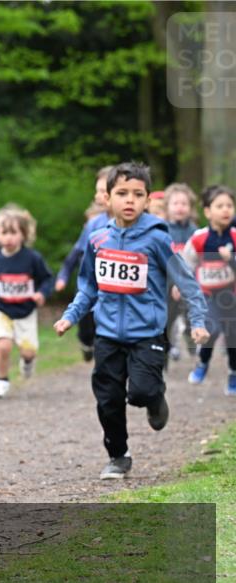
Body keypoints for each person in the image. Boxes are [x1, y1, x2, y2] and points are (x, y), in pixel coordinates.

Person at [55, 163, 208, 480]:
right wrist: (70, 316)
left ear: (147, 200)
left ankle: (156, 400)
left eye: (138, 194)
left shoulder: (156, 240)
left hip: (147, 334)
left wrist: (198, 320)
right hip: (107, 334)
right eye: (122, 193)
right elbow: (88, 287)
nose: (130, 200)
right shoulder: (97, 241)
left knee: (140, 392)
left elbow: (187, 281)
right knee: (108, 400)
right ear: (106, 199)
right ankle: (118, 456)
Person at [0, 205, 54, 398]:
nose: (8, 237)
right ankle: (1, 380)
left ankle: (27, 361)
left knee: (28, 352)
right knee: (4, 346)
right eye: (4, 232)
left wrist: (42, 293)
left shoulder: (32, 258)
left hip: (26, 311)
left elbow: (47, 279)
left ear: (24, 234)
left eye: (13, 232)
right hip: (2, 310)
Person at [54, 166, 114, 361]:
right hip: (92, 286)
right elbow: (75, 254)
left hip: (118, 298)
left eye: (102, 191)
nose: (98, 196)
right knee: (87, 326)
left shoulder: (147, 228)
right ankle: (87, 344)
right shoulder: (93, 225)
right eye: (97, 191)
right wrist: (63, 276)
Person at [182, 185, 236, 393]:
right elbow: (186, 264)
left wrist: (229, 259)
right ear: (207, 211)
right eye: (219, 206)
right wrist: (180, 285)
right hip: (207, 295)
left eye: (229, 206)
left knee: (233, 337)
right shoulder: (199, 238)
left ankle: (233, 373)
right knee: (210, 330)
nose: (225, 210)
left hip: (231, 296)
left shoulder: (235, 235)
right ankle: (202, 363)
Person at [163, 183, 201, 361]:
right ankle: (169, 346)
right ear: (167, 207)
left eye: (184, 204)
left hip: (189, 281)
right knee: (168, 316)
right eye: (175, 203)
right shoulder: (162, 230)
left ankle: (190, 336)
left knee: (189, 313)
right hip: (166, 281)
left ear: (191, 208)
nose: (180, 207)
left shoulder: (195, 232)